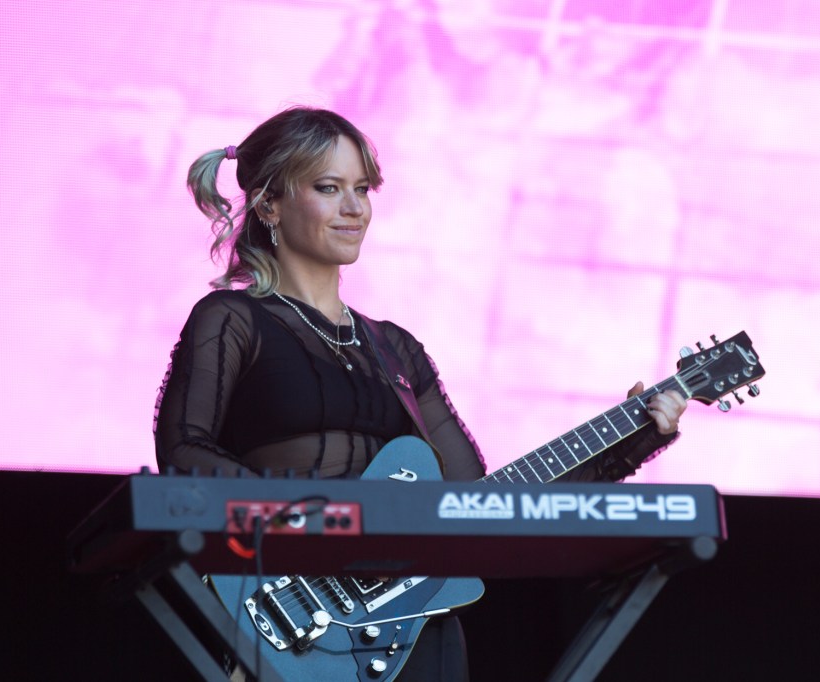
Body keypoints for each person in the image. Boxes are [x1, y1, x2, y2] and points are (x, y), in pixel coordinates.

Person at [154, 106, 687, 681]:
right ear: (268, 205)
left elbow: (481, 509)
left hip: (409, 637)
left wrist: (631, 440)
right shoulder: (231, 319)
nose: (355, 208)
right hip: (282, 618)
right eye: (329, 188)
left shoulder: (396, 349)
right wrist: (323, 522)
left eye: (363, 189)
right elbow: (183, 451)